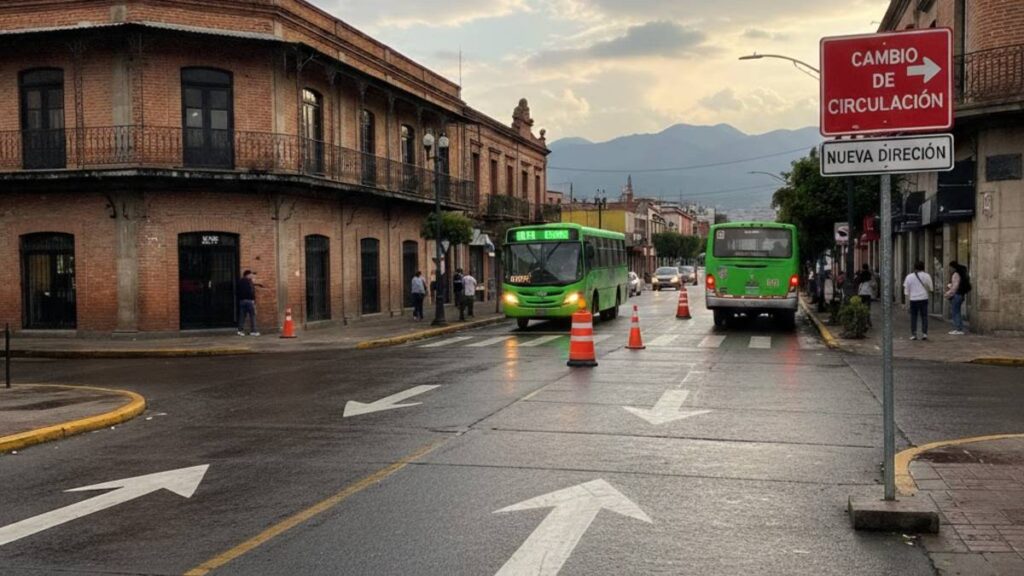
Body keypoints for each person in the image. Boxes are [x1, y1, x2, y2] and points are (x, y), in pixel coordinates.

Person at [903, 261, 933, 341]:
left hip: (913, 299)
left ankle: (913, 334)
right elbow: (931, 288)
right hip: (924, 298)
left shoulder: (909, 277)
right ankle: (924, 334)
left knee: (913, 317)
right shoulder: (927, 276)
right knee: (924, 316)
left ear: (914, 267)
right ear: (923, 267)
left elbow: (906, 291)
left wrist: (906, 303)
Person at [945, 260, 970, 335]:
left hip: (957, 295)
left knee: (955, 312)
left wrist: (948, 293)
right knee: (957, 311)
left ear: (953, 267)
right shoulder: (961, 274)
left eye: (950, 267)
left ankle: (958, 328)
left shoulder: (956, 274)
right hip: (960, 295)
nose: (949, 269)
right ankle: (958, 328)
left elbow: (955, 286)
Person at [236, 270, 262, 336]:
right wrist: (253, 300)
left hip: (242, 301)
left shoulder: (240, 281)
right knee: (252, 316)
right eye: (250, 274)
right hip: (249, 301)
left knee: (242, 316)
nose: (252, 276)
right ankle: (253, 331)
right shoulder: (249, 282)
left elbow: (237, 291)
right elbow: (250, 292)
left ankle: (240, 330)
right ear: (247, 275)